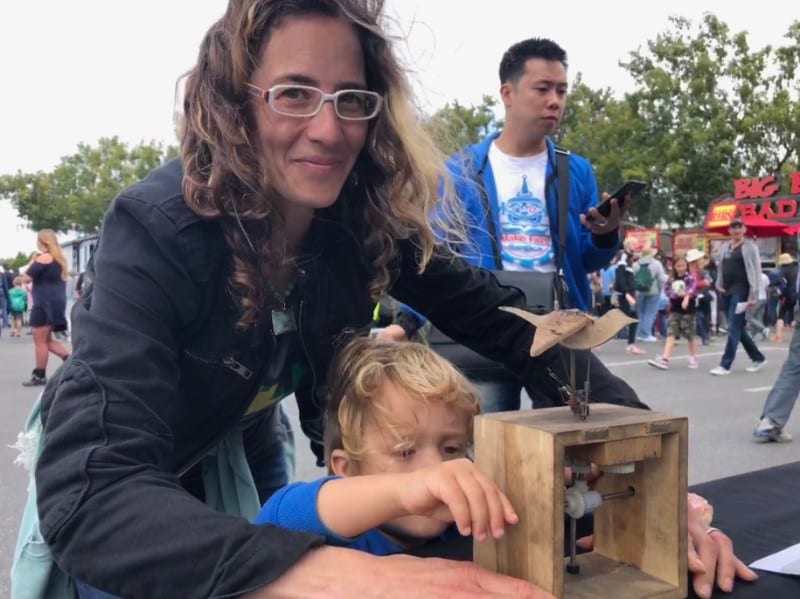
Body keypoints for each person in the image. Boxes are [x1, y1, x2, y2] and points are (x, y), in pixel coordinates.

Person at [20, 3, 750, 598]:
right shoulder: (155, 229)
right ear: (233, 104)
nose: (329, 129)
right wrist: (354, 576)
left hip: (243, 436)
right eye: (293, 93)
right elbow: (94, 495)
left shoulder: (355, 221)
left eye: (352, 100)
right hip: (133, 475)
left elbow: (511, 327)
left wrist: (659, 493)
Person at [388, 37, 622, 413]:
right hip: (487, 328)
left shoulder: (575, 170)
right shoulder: (461, 171)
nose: (555, 101)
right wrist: (405, 323)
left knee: (571, 441)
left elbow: (588, 260)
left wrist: (605, 235)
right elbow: (434, 257)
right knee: (488, 441)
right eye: (542, 89)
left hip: (560, 330)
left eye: (562, 90)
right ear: (507, 93)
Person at [257, 336, 519, 553]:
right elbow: (278, 518)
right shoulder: (340, 539)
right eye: (405, 451)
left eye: (451, 448)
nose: (436, 466)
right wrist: (405, 491)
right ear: (345, 469)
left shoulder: (473, 524)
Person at [710, 217, 767, 375]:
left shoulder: (750, 247)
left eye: (739, 227)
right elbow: (721, 266)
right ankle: (758, 357)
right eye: (733, 227)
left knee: (733, 326)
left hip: (742, 290)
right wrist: (718, 283)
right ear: (729, 230)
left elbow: (756, 269)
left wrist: (754, 294)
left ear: (744, 229)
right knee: (738, 328)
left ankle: (725, 364)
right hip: (726, 290)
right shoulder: (725, 247)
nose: (736, 230)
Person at [21, 230, 71, 386]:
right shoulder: (59, 259)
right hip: (57, 303)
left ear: (41, 242)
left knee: (40, 341)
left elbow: (26, 277)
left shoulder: (43, 258)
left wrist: (32, 261)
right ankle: (71, 360)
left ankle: (40, 375)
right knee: (47, 340)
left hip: (43, 303)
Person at [648, 255, 698, 370]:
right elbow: (667, 290)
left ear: (686, 266)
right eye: (678, 266)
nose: (681, 268)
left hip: (688, 310)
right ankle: (665, 359)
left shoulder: (689, 277)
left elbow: (693, 289)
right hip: (675, 309)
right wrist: (676, 294)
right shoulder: (671, 279)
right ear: (674, 267)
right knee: (671, 333)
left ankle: (693, 357)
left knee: (690, 335)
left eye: (683, 265)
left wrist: (686, 296)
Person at [614, 238, 646, 355]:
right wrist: (626, 293)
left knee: (629, 318)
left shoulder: (629, 258)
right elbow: (620, 276)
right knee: (621, 319)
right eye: (633, 244)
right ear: (628, 245)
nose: (635, 246)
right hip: (624, 294)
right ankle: (630, 345)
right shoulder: (623, 257)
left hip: (627, 293)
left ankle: (631, 345)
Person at [633, 245, 667, 342]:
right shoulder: (656, 263)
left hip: (639, 291)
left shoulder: (636, 264)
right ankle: (646, 334)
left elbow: (633, 278)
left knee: (640, 313)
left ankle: (639, 334)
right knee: (650, 313)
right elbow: (662, 279)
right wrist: (660, 288)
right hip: (653, 291)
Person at [772, 252, 798, 342]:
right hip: (796, 295)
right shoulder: (796, 270)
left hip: (787, 295)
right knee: (792, 315)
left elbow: (782, 284)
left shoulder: (783, 271)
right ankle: (794, 338)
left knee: (781, 314)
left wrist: (777, 291)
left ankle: (778, 337)